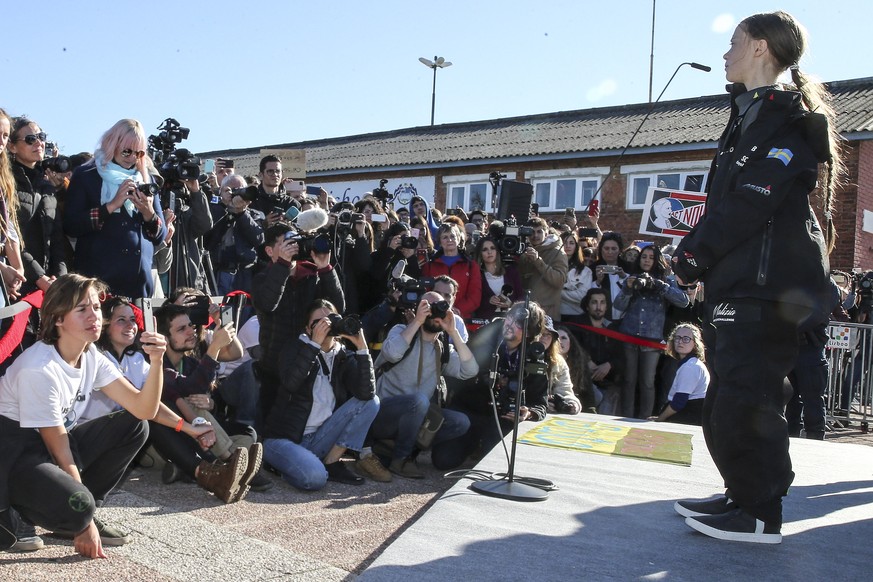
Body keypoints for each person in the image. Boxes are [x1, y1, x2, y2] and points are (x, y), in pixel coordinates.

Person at [672, 11, 844, 544]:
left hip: (766, 288)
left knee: (751, 399)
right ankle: (738, 492)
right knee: (727, 397)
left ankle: (760, 511)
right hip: (738, 283)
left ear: (762, 49)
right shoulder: (746, 115)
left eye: (733, 42)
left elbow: (753, 200)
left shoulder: (785, 119)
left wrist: (692, 254)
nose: (725, 53)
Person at [0, 274, 209, 558]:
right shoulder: (39, 368)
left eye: (96, 308)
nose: (94, 316)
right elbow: (57, 445)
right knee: (79, 505)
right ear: (58, 319)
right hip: (13, 454)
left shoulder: (91, 355)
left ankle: (81, 511)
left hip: (44, 448)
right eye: (82, 309)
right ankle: (20, 513)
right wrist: (82, 520)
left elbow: (143, 409)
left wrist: (157, 360)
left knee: (136, 426)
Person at [263, 300, 389, 490]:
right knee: (315, 479)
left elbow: (366, 394)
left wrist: (362, 348)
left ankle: (331, 461)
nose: (326, 325)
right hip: (284, 439)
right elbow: (291, 383)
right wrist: (314, 344)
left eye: (330, 320)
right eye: (318, 322)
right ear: (307, 328)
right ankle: (281, 465)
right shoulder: (294, 348)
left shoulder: (343, 356)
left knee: (372, 401)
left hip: (321, 437)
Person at [370, 292, 479, 478]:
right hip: (383, 414)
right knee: (419, 401)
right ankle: (401, 459)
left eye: (440, 307)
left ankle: (397, 448)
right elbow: (392, 354)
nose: (435, 312)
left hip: (416, 416)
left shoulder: (442, 347)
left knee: (460, 422)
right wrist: (417, 322)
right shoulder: (401, 330)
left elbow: (470, 371)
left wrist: (453, 332)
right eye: (429, 306)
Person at [64, 119, 167, 299]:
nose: (132, 158)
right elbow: (71, 225)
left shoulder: (145, 178)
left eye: (138, 153)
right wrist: (110, 206)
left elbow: (160, 235)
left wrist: (148, 213)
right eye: (127, 151)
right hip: (99, 282)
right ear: (112, 144)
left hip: (139, 283)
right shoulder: (87, 174)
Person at [613, 245, 688, 418]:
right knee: (629, 380)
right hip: (630, 335)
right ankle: (626, 417)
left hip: (652, 340)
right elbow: (618, 306)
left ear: (657, 261)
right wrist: (627, 288)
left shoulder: (665, 280)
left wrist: (659, 286)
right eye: (644, 257)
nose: (646, 260)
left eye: (650, 257)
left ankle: (645, 418)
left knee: (647, 382)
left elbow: (683, 301)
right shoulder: (632, 278)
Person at [7, 117, 67, 294]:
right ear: (12, 147)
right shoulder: (7, 184)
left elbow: (57, 238)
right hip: (17, 282)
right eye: (30, 139)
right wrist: (40, 277)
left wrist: (61, 277)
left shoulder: (47, 184)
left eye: (41, 136)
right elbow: (12, 237)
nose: (39, 143)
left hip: (51, 286)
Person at [650, 324, 708, 425]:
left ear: (695, 343)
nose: (680, 342)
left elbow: (678, 403)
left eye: (686, 339)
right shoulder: (689, 364)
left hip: (690, 418)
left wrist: (659, 419)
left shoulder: (690, 366)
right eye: (677, 338)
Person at [421, 222, 481, 319]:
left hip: (462, 318)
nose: (449, 240)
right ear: (439, 242)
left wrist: (457, 310)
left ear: (458, 239)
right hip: (435, 316)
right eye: (445, 237)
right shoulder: (429, 266)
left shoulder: (471, 266)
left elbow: (475, 296)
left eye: (453, 236)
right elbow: (426, 293)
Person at [517, 218, 569, 320]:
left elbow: (559, 280)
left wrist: (538, 261)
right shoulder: (525, 253)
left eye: (539, 231)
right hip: (528, 312)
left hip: (547, 313)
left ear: (546, 233)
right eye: (532, 232)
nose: (535, 235)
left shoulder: (557, 252)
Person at [0, 108, 25, 306]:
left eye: (5, 135)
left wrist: (18, 270)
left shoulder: (4, 179)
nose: (1, 141)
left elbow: (8, 228)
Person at [472, 236, 522, 320]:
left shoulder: (511, 272)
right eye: (485, 249)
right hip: (485, 324)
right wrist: (489, 301)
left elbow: (521, 297)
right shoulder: (477, 275)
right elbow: (474, 301)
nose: (489, 252)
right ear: (480, 253)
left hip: (510, 322)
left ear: (497, 251)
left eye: (492, 248)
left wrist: (511, 304)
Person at [555, 325, 596, 413]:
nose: (560, 342)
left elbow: (588, 391)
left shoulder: (580, 361)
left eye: (563, 338)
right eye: (557, 338)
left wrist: (591, 411)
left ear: (571, 342)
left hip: (576, 403)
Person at [592, 231, 629, 322]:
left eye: (614, 249)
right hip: (599, 320)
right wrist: (597, 282)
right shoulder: (592, 269)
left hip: (624, 319)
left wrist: (624, 277)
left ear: (620, 250)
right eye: (606, 248)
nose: (610, 252)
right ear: (601, 249)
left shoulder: (629, 267)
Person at [560, 231, 593, 322]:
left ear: (576, 246)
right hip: (556, 314)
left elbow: (582, 296)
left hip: (577, 316)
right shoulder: (552, 268)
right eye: (564, 243)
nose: (568, 246)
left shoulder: (585, 271)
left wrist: (558, 292)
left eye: (571, 243)